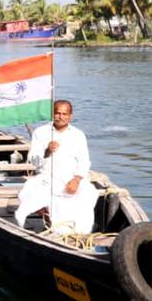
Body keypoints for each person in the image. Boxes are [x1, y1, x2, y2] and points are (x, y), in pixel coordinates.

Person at [14, 100, 99, 234]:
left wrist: (76, 180)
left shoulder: (78, 135)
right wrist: (47, 151)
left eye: (64, 114)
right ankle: (47, 219)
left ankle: (80, 231)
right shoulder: (40, 132)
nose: (60, 116)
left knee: (89, 193)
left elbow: (84, 161)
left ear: (70, 116)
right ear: (52, 114)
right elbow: (33, 162)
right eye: (57, 113)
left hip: (71, 179)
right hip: (46, 178)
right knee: (28, 195)